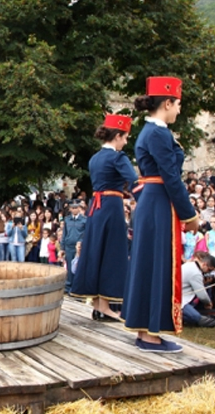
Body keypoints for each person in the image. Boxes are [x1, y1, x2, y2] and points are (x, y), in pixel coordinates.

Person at [122, 76, 198, 353]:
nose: (179, 109)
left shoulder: (151, 131)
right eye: (177, 104)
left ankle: (147, 331)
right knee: (158, 265)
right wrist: (189, 214)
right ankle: (151, 334)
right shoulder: (158, 133)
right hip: (159, 203)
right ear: (167, 102)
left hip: (153, 201)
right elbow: (171, 178)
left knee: (149, 264)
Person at [71, 114, 138, 321]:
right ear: (118, 136)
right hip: (111, 207)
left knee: (96, 252)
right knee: (112, 253)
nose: (126, 142)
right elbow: (134, 181)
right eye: (125, 137)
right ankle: (105, 306)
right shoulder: (118, 157)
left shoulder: (95, 158)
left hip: (95, 209)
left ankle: (99, 305)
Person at [180, 252, 215, 327]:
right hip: (181, 300)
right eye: (209, 270)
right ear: (204, 264)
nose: (208, 272)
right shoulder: (196, 273)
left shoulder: (190, 265)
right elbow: (201, 294)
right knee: (195, 317)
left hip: (182, 295)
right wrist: (208, 303)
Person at [61, 200, 86, 292]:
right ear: (70, 209)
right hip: (69, 246)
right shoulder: (67, 219)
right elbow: (64, 234)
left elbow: (86, 234)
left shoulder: (84, 220)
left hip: (79, 246)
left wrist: (81, 242)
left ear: (79, 208)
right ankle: (69, 286)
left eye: (76, 207)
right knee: (69, 266)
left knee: (78, 267)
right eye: (73, 208)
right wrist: (62, 247)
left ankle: (77, 287)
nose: (75, 209)